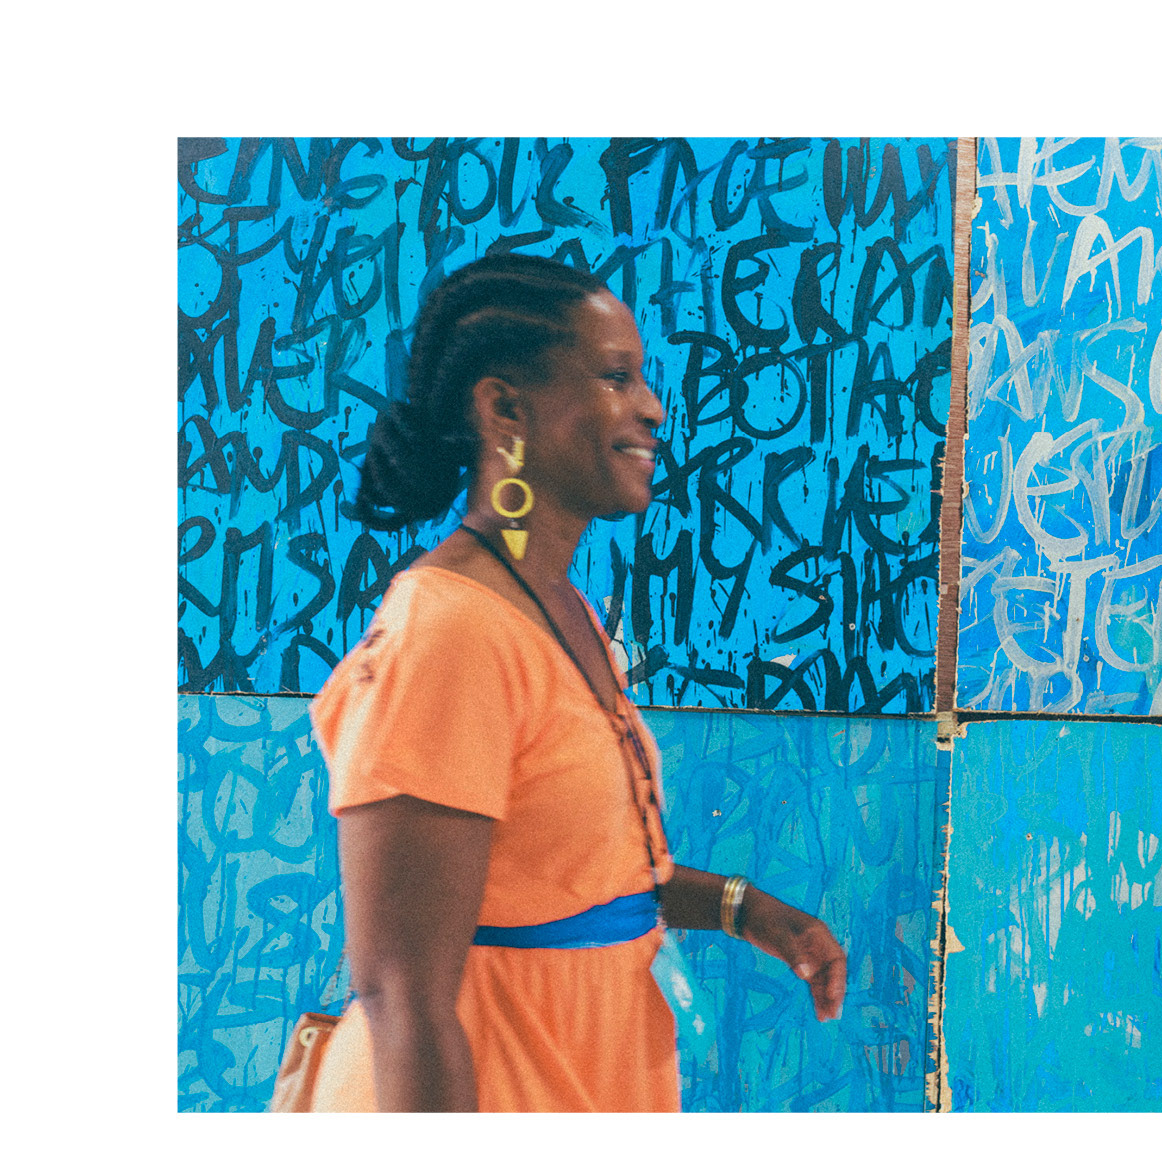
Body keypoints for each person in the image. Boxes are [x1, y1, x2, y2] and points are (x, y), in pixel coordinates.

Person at [304, 254, 847, 1112]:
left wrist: (743, 909)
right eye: (614, 377)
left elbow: (573, 876)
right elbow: (403, 994)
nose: (652, 408)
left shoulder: (557, 609)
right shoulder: (449, 631)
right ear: (505, 410)